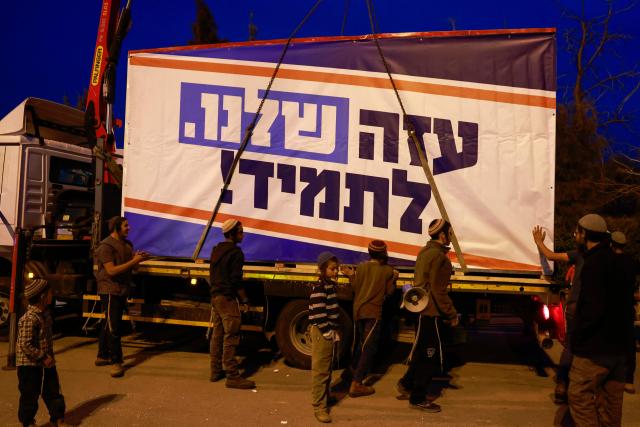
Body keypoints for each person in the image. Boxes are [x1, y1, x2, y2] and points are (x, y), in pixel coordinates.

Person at [568, 214, 635, 426]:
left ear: (585, 234)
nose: (574, 234)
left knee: (578, 394)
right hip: (621, 349)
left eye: (577, 231)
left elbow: (592, 308)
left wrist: (578, 339)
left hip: (596, 349)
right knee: (611, 403)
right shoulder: (622, 262)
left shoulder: (593, 264)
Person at [396, 218, 459, 413]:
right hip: (431, 312)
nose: (451, 237)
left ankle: (406, 383)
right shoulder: (440, 258)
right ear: (442, 235)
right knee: (430, 356)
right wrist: (451, 313)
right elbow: (439, 291)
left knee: (421, 351)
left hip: (420, 309)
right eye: (449, 233)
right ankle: (418, 398)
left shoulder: (424, 252)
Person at [532, 224, 585, 404]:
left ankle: (562, 385)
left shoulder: (579, 255)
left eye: (577, 232)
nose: (574, 234)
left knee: (570, 346)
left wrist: (539, 242)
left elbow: (550, 256)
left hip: (577, 307)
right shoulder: (604, 258)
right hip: (592, 308)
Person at [341, 240, 398, 398]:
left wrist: (351, 275)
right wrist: (394, 279)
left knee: (361, 344)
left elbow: (356, 287)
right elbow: (389, 292)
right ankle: (357, 383)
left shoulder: (362, 267)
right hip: (373, 313)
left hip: (358, 311)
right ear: (383, 254)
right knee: (369, 348)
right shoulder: (387, 271)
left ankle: (353, 370)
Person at [94, 216, 149, 378]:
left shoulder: (127, 244)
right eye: (125, 226)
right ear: (116, 228)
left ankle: (102, 355)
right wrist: (134, 261)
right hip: (110, 290)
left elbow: (135, 268)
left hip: (122, 289)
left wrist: (137, 259)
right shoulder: (105, 246)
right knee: (114, 326)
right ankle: (116, 361)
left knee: (108, 322)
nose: (129, 228)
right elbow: (111, 271)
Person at [209, 218, 255, 389]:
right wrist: (245, 299)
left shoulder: (216, 250)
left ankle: (215, 371)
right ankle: (232, 376)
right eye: (240, 232)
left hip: (215, 297)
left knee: (217, 335)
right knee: (231, 336)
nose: (243, 234)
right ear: (232, 234)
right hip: (227, 298)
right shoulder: (236, 253)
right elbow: (236, 280)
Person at [16, 278, 67, 427]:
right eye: (50, 292)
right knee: (30, 394)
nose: (53, 294)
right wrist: (42, 356)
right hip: (29, 365)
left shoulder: (45, 314)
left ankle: (57, 418)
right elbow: (25, 344)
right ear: (43, 297)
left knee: (53, 390)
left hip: (47, 361)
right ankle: (28, 421)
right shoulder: (29, 318)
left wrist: (48, 358)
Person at [310, 251, 341, 423]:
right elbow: (319, 312)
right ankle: (319, 407)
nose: (335, 272)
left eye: (336, 269)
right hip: (322, 332)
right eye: (332, 269)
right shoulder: (320, 287)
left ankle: (325, 397)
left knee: (328, 368)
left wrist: (335, 331)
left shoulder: (330, 285)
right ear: (323, 270)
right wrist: (327, 331)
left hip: (329, 331)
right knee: (321, 370)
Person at [610, 231, 639, 394]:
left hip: (611, 308)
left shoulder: (608, 261)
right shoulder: (632, 262)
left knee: (609, 343)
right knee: (629, 345)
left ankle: (610, 377)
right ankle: (628, 380)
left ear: (611, 244)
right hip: (627, 308)